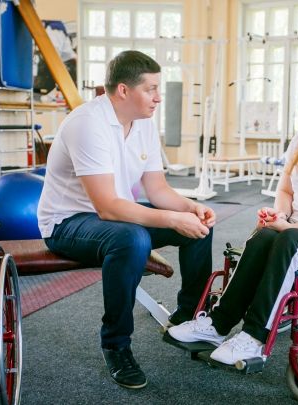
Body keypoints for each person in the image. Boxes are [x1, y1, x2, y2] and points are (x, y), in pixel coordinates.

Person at [168, 68, 298, 365]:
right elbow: (286, 191)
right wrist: (279, 215)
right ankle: (217, 325)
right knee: (265, 235)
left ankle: (254, 338)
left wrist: (289, 227)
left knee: (288, 240)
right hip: (295, 229)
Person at [37, 50, 216, 389]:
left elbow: (157, 189)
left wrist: (189, 207)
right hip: (68, 223)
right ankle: (116, 345)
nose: (158, 97)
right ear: (123, 90)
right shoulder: (87, 123)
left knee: (198, 226)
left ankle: (189, 318)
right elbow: (107, 207)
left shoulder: (144, 123)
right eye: (151, 89)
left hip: (116, 216)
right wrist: (171, 219)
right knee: (133, 238)